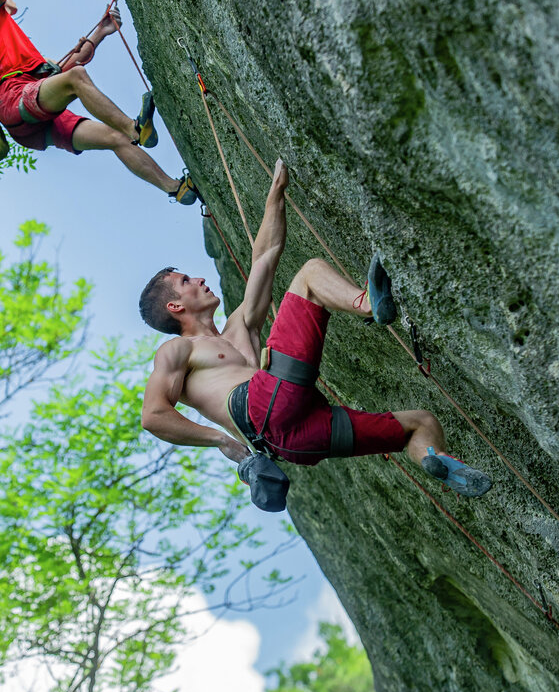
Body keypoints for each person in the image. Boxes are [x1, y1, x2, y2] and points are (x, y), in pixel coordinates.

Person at [138, 159, 492, 510]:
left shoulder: (240, 325)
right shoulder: (178, 349)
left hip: (293, 442)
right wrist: (219, 439)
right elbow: (153, 415)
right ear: (175, 307)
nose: (198, 279)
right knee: (309, 274)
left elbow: (266, 255)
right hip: (262, 408)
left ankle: (435, 458)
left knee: (420, 423)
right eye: (186, 282)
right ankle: (368, 302)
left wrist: (276, 192)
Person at [0, 0, 199, 205]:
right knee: (78, 79)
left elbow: (61, 71)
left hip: (32, 123)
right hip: (14, 101)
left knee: (115, 138)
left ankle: (175, 188)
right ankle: (136, 127)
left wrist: (101, 31)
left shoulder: (4, 40)